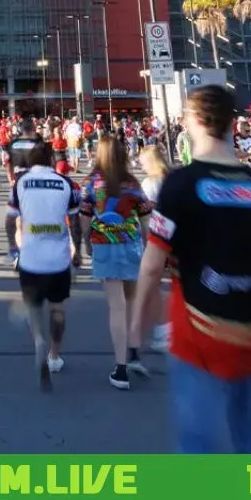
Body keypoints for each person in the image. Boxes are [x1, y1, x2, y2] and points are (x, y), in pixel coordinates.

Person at [136, 85, 251, 453]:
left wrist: (137, 322)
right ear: (232, 123)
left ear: (195, 120)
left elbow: (152, 264)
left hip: (201, 328)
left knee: (199, 445)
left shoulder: (180, 184)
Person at [7, 138, 80, 391]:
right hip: (58, 257)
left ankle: (38, 339)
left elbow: (10, 219)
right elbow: (76, 221)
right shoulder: (65, 183)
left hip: (31, 256)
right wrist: (78, 251)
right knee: (57, 309)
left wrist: (12, 248)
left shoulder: (20, 183)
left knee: (33, 307)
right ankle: (54, 354)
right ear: (51, 159)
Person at [82, 136, 151, 390]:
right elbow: (145, 218)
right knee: (131, 300)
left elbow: (84, 216)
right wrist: (145, 247)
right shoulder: (132, 183)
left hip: (105, 244)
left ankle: (120, 368)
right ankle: (133, 351)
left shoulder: (91, 183)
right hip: (131, 244)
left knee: (116, 306)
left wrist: (87, 242)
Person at [134, 145, 172, 352]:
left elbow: (148, 217)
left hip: (159, 237)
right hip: (178, 235)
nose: (140, 165)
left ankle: (164, 330)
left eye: (142, 161)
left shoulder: (150, 184)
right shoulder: (172, 177)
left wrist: (148, 241)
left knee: (152, 285)